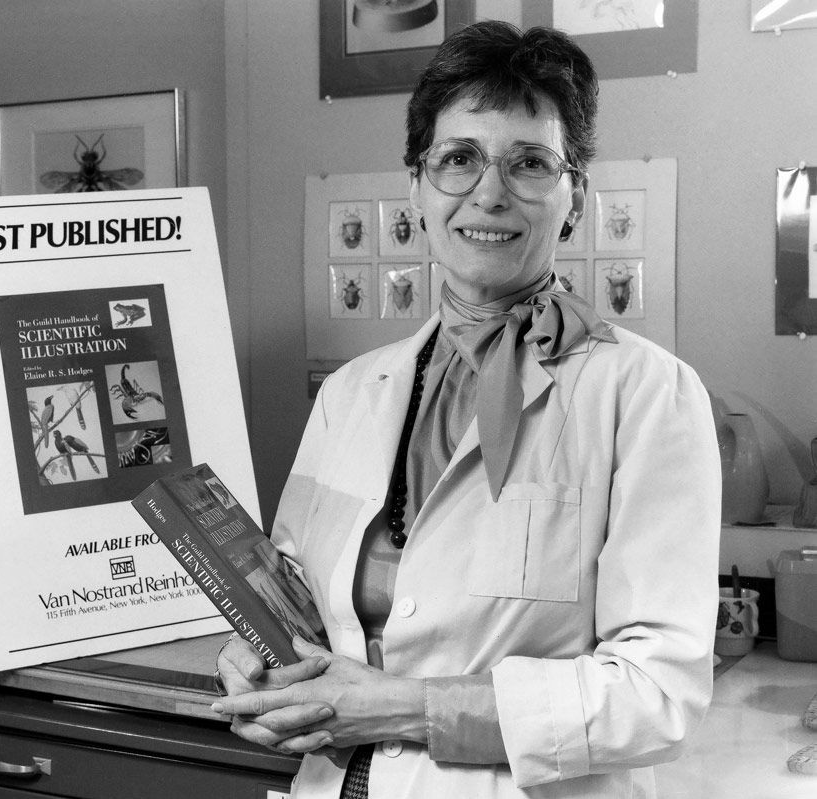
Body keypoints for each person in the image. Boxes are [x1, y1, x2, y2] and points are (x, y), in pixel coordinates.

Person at [211, 20, 721, 799]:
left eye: (529, 163)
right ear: (417, 187)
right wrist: (256, 659)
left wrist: (407, 709)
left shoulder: (648, 395)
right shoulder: (351, 393)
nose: (490, 192)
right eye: (458, 159)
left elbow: (658, 695)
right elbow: (296, 601)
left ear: (576, 194)